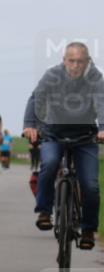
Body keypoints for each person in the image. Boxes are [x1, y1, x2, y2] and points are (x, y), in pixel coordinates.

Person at [23, 42, 104, 250]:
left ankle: (88, 229)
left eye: (80, 61)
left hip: (85, 138)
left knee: (91, 185)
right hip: (53, 134)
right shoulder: (52, 75)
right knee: (49, 164)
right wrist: (31, 126)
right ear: (64, 61)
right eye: (71, 61)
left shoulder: (95, 78)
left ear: (87, 62)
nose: (75, 65)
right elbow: (36, 99)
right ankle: (44, 211)